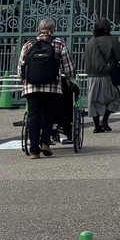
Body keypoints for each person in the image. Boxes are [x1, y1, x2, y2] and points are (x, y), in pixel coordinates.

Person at [19, 18, 74, 158]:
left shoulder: (29, 44)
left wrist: (25, 80)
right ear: (53, 29)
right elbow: (68, 67)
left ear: (39, 29)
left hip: (32, 87)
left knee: (34, 116)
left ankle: (34, 150)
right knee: (48, 114)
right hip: (51, 86)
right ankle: (45, 143)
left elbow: (20, 68)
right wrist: (69, 80)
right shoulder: (59, 43)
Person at [80, 19, 120, 134]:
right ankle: (104, 120)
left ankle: (96, 126)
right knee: (115, 97)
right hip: (106, 75)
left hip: (91, 76)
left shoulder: (91, 41)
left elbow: (84, 58)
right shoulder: (112, 40)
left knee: (94, 101)